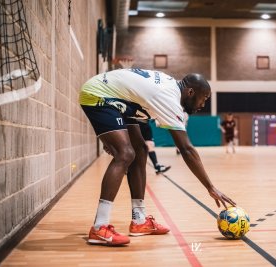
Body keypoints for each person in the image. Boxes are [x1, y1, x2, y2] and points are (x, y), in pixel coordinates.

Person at [79, 68, 236, 246]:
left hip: (120, 101)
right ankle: (100, 227)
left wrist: (111, 138)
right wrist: (210, 187)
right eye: (204, 98)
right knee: (125, 154)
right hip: (99, 94)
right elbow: (186, 149)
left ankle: (139, 221)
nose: (203, 104)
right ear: (190, 92)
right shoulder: (169, 98)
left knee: (140, 151)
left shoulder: (169, 88)